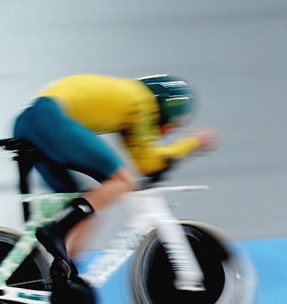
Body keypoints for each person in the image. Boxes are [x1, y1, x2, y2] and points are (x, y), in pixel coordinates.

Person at [16, 72, 213, 276]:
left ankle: (68, 275)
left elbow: (143, 160)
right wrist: (192, 143)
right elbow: (149, 162)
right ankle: (57, 230)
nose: (166, 133)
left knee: (88, 205)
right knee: (123, 181)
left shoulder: (130, 99)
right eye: (170, 126)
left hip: (29, 121)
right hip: (49, 118)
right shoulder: (142, 102)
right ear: (165, 110)